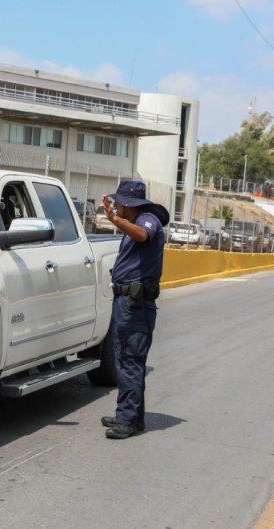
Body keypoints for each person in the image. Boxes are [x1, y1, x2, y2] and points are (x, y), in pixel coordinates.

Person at [100, 180, 169, 439]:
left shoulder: (148, 220)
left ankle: (127, 420)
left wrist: (113, 220)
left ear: (129, 204)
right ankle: (130, 416)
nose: (116, 207)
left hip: (134, 304)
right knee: (125, 359)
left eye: (119, 203)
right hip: (126, 302)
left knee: (130, 360)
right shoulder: (134, 222)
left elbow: (142, 235)